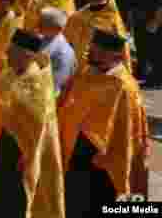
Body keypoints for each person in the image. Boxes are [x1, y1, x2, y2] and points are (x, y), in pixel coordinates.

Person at [59, 29, 149, 214]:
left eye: (96, 49)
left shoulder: (123, 87)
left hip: (102, 166)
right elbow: (65, 106)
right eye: (91, 47)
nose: (89, 51)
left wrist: (108, 155)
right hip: (73, 158)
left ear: (114, 55)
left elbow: (127, 132)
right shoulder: (85, 74)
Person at [0, 30, 65, 218]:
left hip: (21, 157)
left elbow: (38, 124)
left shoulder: (38, 82)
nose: (6, 54)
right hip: (0, 148)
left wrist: (28, 155)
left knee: (16, 205)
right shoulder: (7, 74)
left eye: (12, 51)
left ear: (27, 55)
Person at [63, 0, 131, 76]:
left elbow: (123, 52)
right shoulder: (77, 17)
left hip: (102, 76)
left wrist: (126, 74)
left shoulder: (112, 20)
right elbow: (66, 44)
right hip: (76, 75)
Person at [38, 7, 76, 95]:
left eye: (43, 24)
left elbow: (57, 81)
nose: (38, 25)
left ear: (58, 28)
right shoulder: (41, 37)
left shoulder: (64, 52)